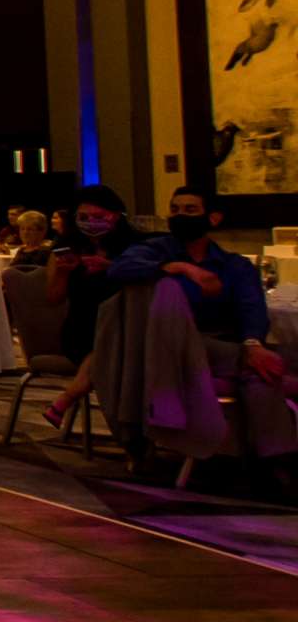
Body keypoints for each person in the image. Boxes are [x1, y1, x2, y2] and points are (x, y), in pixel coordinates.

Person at [89, 186, 287, 469]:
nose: (180, 215)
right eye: (176, 209)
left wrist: (253, 343)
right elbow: (120, 269)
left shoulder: (234, 265)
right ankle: (275, 462)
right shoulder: (152, 250)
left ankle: (274, 460)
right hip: (165, 346)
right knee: (257, 363)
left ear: (213, 218)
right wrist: (181, 268)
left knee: (262, 373)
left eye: (190, 210)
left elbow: (251, 309)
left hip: (217, 345)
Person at [41, 185, 143, 424]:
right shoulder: (65, 250)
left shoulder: (133, 249)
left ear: (116, 216)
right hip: (81, 328)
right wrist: (64, 273)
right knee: (110, 349)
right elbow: (53, 299)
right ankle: (129, 436)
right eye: (83, 217)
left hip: (126, 325)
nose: (90, 223)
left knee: (117, 343)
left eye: (98, 217)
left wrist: (113, 268)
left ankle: (68, 397)